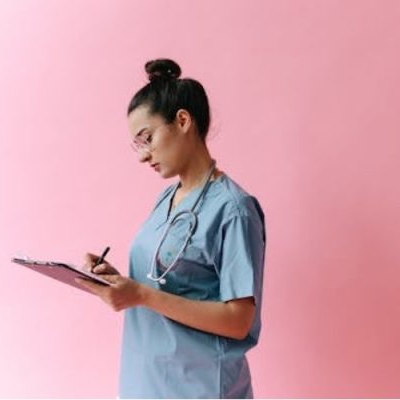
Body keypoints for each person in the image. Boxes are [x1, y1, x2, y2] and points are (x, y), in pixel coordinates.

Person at [75, 58, 266, 398]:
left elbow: (239, 321)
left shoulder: (234, 210)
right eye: (137, 145)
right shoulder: (168, 198)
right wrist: (117, 281)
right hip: (146, 382)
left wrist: (141, 294)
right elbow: (164, 280)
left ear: (182, 121)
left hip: (200, 387)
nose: (142, 156)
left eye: (146, 139)